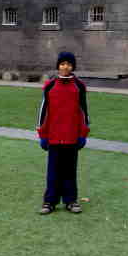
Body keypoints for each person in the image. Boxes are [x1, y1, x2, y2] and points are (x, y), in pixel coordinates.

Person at [36, 51, 90, 215]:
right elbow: (43, 113)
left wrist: (83, 134)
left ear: (73, 66)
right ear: (58, 66)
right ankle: (49, 202)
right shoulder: (50, 86)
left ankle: (71, 201)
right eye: (62, 64)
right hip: (53, 137)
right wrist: (43, 135)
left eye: (68, 64)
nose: (65, 67)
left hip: (72, 137)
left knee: (69, 171)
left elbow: (84, 112)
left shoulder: (79, 86)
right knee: (53, 171)